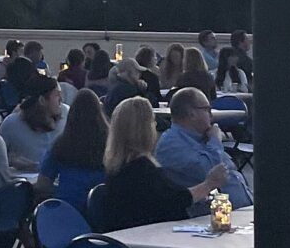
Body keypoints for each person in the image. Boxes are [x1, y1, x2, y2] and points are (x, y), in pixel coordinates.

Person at [90, 97, 216, 235]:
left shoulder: (117, 167)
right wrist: (209, 184)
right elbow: (176, 199)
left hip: (125, 237)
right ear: (144, 129)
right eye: (152, 122)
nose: (155, 126)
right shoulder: (142, 170)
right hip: (148, 238)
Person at [157, 89, 252, 207]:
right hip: (212, 214)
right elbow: (211, 170)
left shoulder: (202, 137)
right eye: (207, 109)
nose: (211, 115)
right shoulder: (171, 144)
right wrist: (215, 140)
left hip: (240, 208)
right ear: (192, 114)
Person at [33, 90, 108, 211]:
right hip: (103, 209)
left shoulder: (61, 144)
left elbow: (42, 185)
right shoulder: (111, 143)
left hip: (69, 209)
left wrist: (62, 189)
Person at [0, 73, 65, 172]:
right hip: (26, 178)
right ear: (42, 100)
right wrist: (10, 160)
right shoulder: (12, 124)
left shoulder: (67, 116)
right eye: (57, 95)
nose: (61, 99)